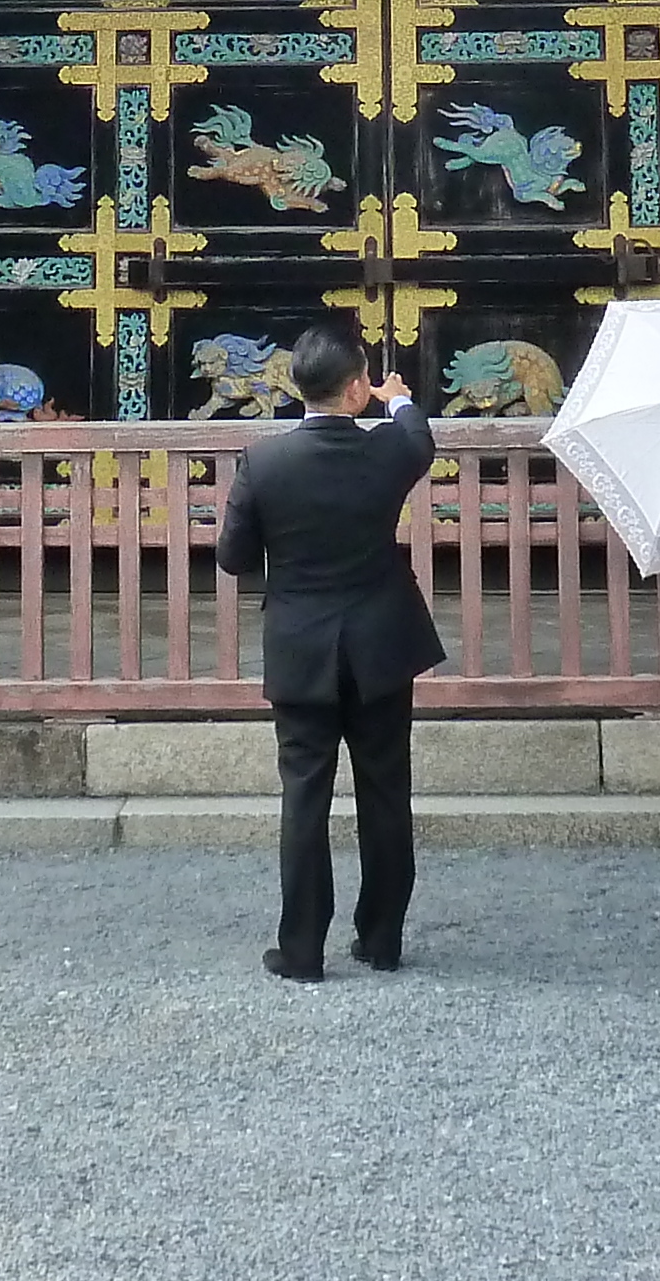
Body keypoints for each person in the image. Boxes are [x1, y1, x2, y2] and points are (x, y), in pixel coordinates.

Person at [215, 322, 443, 980]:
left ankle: (302, 949)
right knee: (385, 790)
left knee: (305, 797)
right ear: (354, 389)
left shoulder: (264, 461)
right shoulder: (390, 452)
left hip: (300, 644)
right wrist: (396, 398)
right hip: (380, 642)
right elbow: (419, 436)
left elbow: (232, 558)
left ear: (297, 387)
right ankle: (380, 939)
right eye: (366, 378)